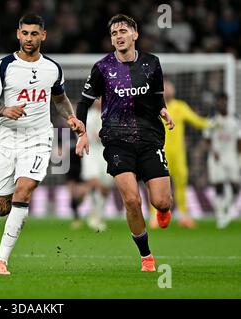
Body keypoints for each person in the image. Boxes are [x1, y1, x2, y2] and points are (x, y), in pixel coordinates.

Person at [0, 13, 85, 275]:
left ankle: (1, 260)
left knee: (24, 190)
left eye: (34, 33)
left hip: (39, 138)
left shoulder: (53, 68)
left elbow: (59, 99)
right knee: (3, 208)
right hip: (7, 139)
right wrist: (5, 110)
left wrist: (71, 117)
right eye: (24, 33)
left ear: (43, 36)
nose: (29, 38)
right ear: (18, 34)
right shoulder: (4, 65)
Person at [75, 14, 175, 272]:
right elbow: (84, 102)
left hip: (150, 138)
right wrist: (82, 132)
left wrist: (163, 110)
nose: (118, 36)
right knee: (131, 200)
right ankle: (146, 257)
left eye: (122, 31)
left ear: (135, 35)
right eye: (113, 33)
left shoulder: (152, 64)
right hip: (117, 141)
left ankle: (163, 210)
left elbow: (157, 96)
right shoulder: (102, 68)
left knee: (161, 201)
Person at [149, 79, 211, 229]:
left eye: (170, 87)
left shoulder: (180, 106)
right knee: (157, 186)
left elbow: (197, 121)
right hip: (159, 152)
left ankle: (184, 216)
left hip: (178, 154)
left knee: (181, 184)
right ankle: (154, 217)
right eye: (165, 87)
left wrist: (213, 123)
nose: (168, 89)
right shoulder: (154, 106)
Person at [203, 93, 241, 229]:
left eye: (224, 101)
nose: (221, 104)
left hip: (231, 156)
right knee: (218, 186)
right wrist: (213, 151)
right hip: (216, 157)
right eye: (219, 101)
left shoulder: (234, 119)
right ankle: (220, 215)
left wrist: (239, 156)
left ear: (227, 102)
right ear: (216, 103)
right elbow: (206, 139)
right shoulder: (212, 120)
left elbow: (239, 140)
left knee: (236, 186)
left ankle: (225, 207)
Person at [81, 98, 113, 232]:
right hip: (91, 152)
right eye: (98, 99)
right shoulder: (89, 115)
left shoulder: (111, 114)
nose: (100, 101)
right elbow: (94, 136)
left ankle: (98, 215)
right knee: (94, 182)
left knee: (105, 188)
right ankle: (93, 215)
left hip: (106, 153)